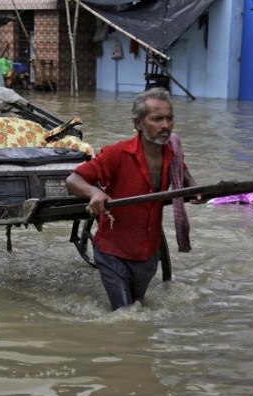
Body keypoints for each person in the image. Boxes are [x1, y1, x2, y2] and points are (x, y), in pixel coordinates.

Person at [65, 88, 201, 311]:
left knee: (138, 308)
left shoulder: (173, 153)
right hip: (113, 252)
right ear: (139, 123)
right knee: (125, 314)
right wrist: (95, 192)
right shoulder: (117, 154)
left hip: (148, 253)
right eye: (157, 119)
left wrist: (197, 191)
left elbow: (186, 179)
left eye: (169, 119)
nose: (165, 125)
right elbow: (74, 179)